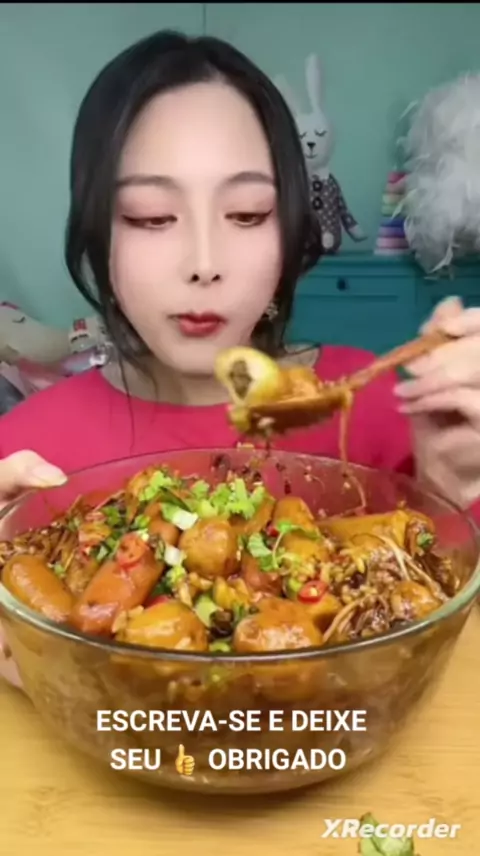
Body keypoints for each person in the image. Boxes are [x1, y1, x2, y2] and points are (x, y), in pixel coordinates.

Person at [1, 31, 480, 690]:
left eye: (248, 214)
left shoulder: (379, 409)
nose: (204, 264)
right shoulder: (26, 447)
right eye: (151, 216)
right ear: (97, 234)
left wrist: (454, 495)